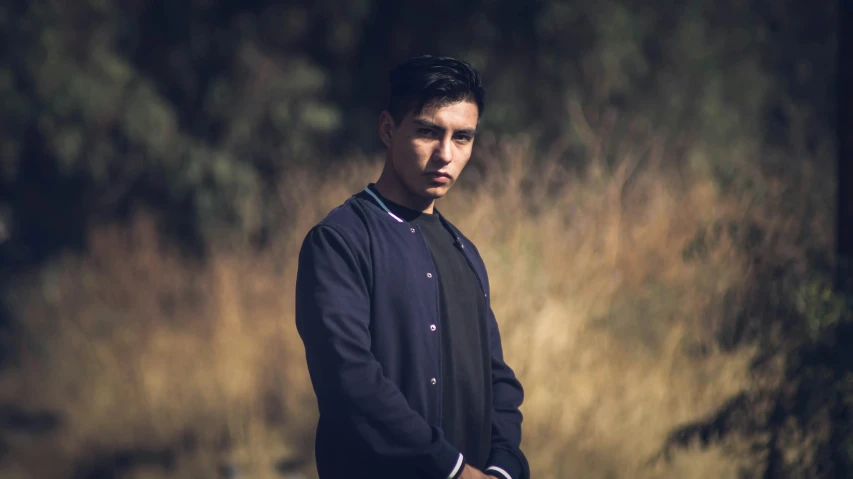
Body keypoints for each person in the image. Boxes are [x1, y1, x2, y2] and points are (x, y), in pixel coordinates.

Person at [295, 55, 529, 479]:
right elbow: (350, 382)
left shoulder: (466, 252)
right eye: (428, 131)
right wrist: (452, 469)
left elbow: (498, 382)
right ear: (388, 129)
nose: (446, 154)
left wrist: (502, 468)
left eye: (463, 138)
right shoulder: (340, 241)